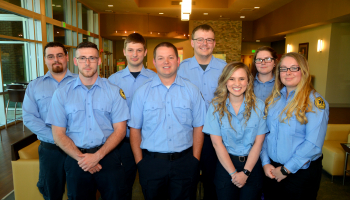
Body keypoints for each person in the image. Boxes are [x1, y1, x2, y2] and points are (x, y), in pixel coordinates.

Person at [45, 42, 129, 200]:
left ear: (99, 61)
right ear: (75, 61)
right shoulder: (62, 94)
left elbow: (120, 130)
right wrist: (83, 159)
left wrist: (96, 157)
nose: (87, 63)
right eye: (83, 58)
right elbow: (58, 134)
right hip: (76, 160)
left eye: (92, 58)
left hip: (108, 157)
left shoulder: (114, 91)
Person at [129, 42, 206, 200]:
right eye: (161, 58)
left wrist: (195, 160)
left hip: (185, 163)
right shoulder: (142, 93)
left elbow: (199, 127)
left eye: (170, 57)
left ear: (178, 61)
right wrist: (140, 164)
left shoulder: (192, 91)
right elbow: (135, 129)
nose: (166, 62)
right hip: (151, 164)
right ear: (154, 62)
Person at [260, 52, 329, 200]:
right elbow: (265, 134)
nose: (288, 73)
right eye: (283, 69)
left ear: (303, 71)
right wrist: (265, 163)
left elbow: (313, 145)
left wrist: (286, 170)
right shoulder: (274, 99)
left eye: (293, 68)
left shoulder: (315, 102)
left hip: (300, 174)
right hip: (272, 170)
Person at [203, 62, 267, 200]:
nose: (236, 83)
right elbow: (216, 143)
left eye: (241, 79)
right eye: (231, 79)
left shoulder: (259, 106)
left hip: (252, 166)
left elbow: (258, 143)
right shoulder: (215, 106)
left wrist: (245, 172)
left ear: (248, 81)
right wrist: (233, 174)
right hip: (225, 167)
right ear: (225, 81)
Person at [23, 42, 77, 200]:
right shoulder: (34, 86)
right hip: (50, 150)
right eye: (51, 56)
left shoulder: (81, 82)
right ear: (45, 60)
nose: (56, 60)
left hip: (78, 148)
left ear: (67, 57)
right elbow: (29, 117)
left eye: (60, 55)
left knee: (80, 192)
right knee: (51, 193)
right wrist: (57, 137)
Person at [178, 24, 226, 200]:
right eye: (200, 39)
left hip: (217, 136)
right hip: (187, 136)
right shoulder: (180, 69)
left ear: (214, 43)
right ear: (192, 42)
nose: (204, 43)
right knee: (186, 182)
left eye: (209, 40)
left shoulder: (225, 69)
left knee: (212, 182)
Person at [108, 33, 156, 200]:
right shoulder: (113, 80)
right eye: (131, 50)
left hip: (150, 144)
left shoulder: (155, 79)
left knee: (151, 187)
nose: (134, 54)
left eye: (139, 50)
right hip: (123, 144)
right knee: (122, 188)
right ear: (124, 52)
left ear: (145, 52)